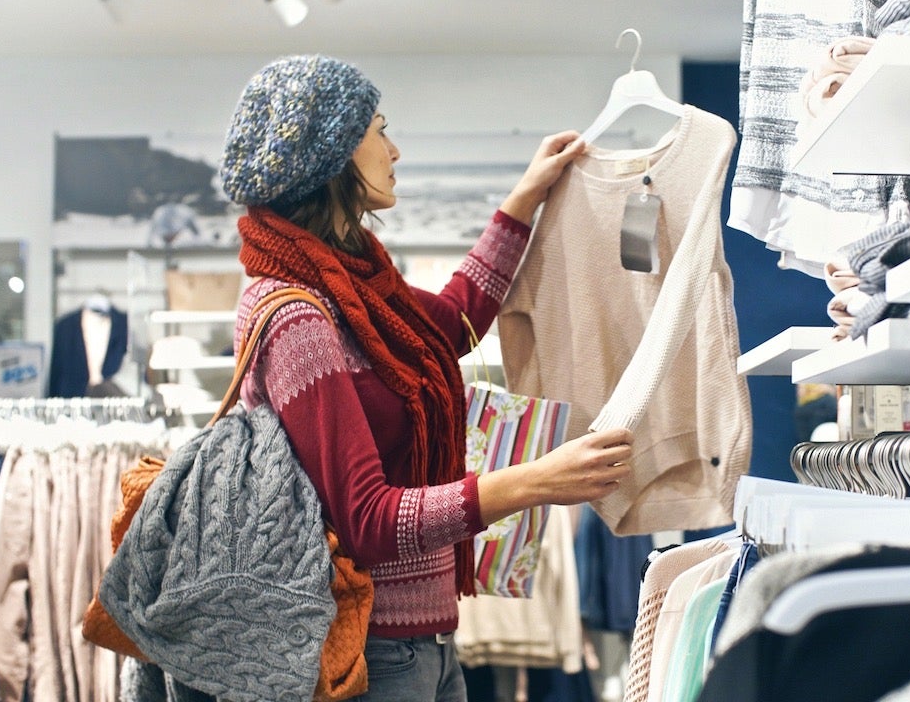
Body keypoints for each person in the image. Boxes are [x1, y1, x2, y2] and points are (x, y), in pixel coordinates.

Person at [218, 54, 635, 702]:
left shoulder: (357, 286)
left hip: (425, 644)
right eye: (379, 131)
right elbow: (365, 520)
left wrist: (523, 199)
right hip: (369, 654)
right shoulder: (298, 315)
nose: (396, 150)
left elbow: (456, 321)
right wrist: (533, 482)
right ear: (330, 156)